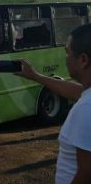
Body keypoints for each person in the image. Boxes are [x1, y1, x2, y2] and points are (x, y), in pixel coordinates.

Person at [14, 24, 91, 184]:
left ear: (83, 60)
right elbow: (77, 92)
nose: (66, 58)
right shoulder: (87, 97)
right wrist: (36, 76)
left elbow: (87, 173)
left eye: (67, 53)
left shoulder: (86, 109)